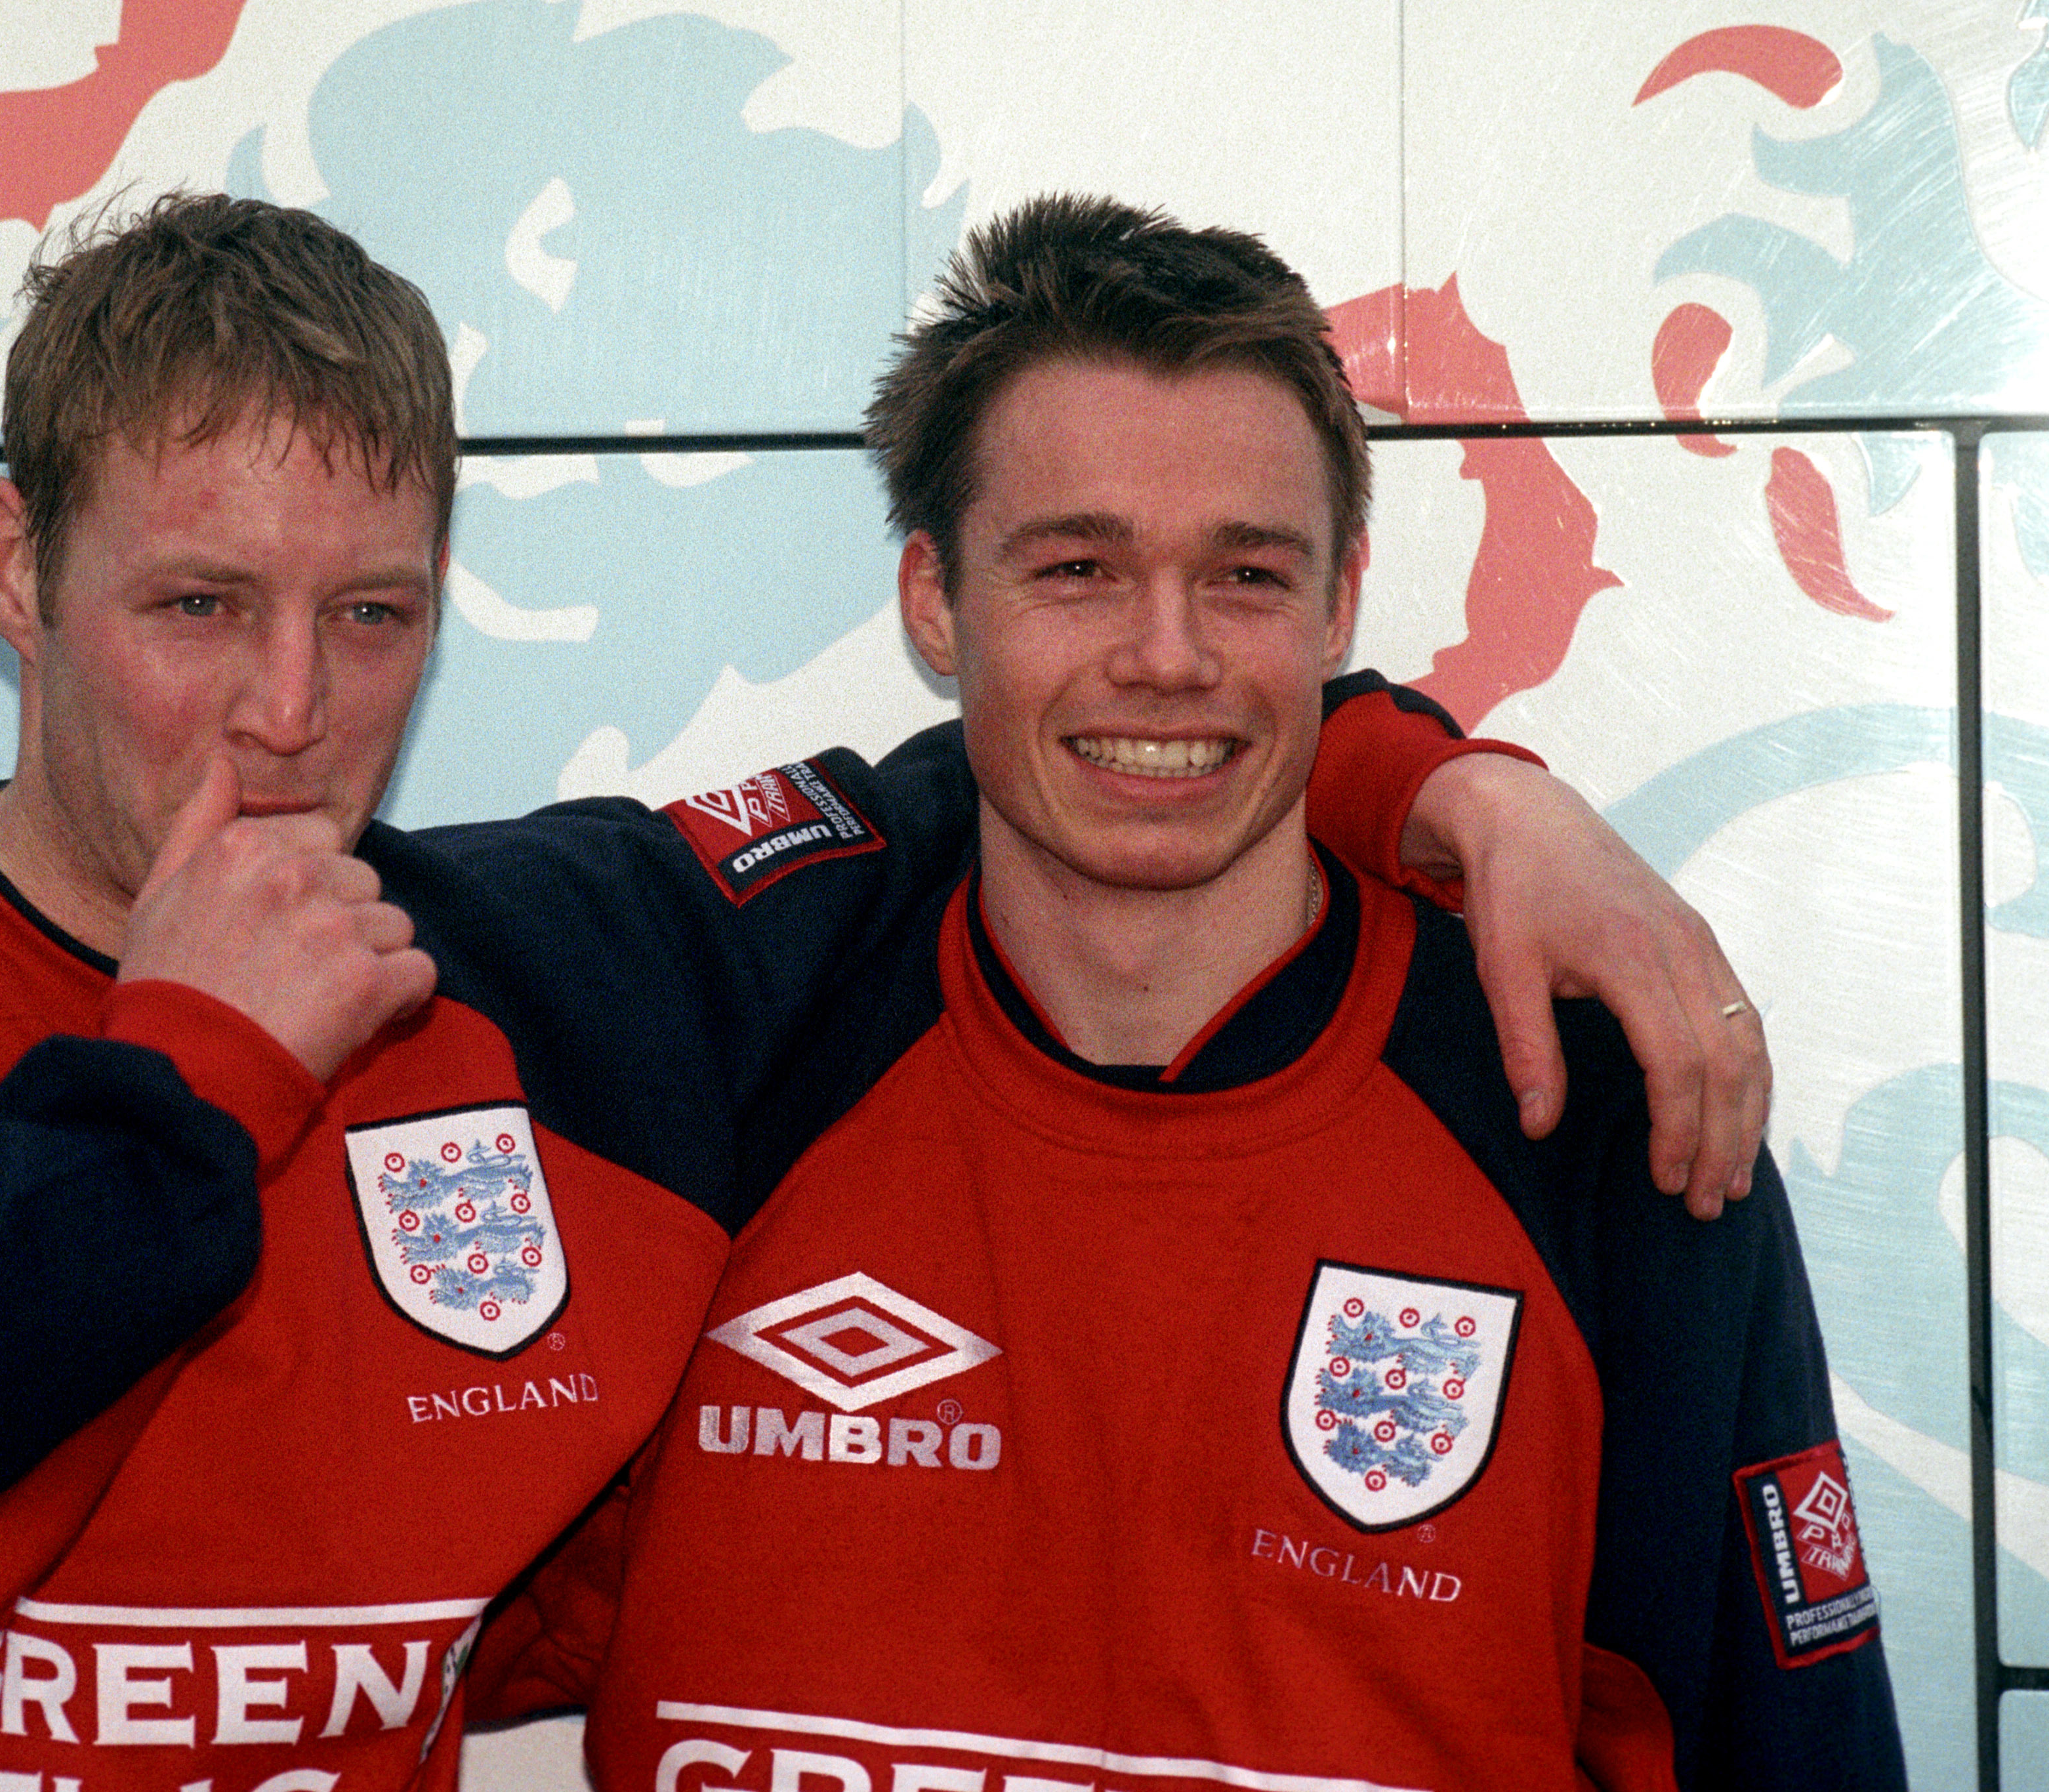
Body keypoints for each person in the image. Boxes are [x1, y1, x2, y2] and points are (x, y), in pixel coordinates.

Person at [0, 192, 1758, 1789]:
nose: (284, 711)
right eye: (194, 607)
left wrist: (1455, 793)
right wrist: (185, 1075)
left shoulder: (527, 978)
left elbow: (1072, 763)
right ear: (12, 567)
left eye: (370, 615)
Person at [466, 195, 1901, 1790]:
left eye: (1243, 576)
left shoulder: (1583, 1103)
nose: (1165, 655)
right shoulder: (714, 1041)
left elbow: (1788, 1750)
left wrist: (1455, 787)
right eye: (1076, 568)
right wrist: (1453, 790)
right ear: (934, 601)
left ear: (1340, 599)